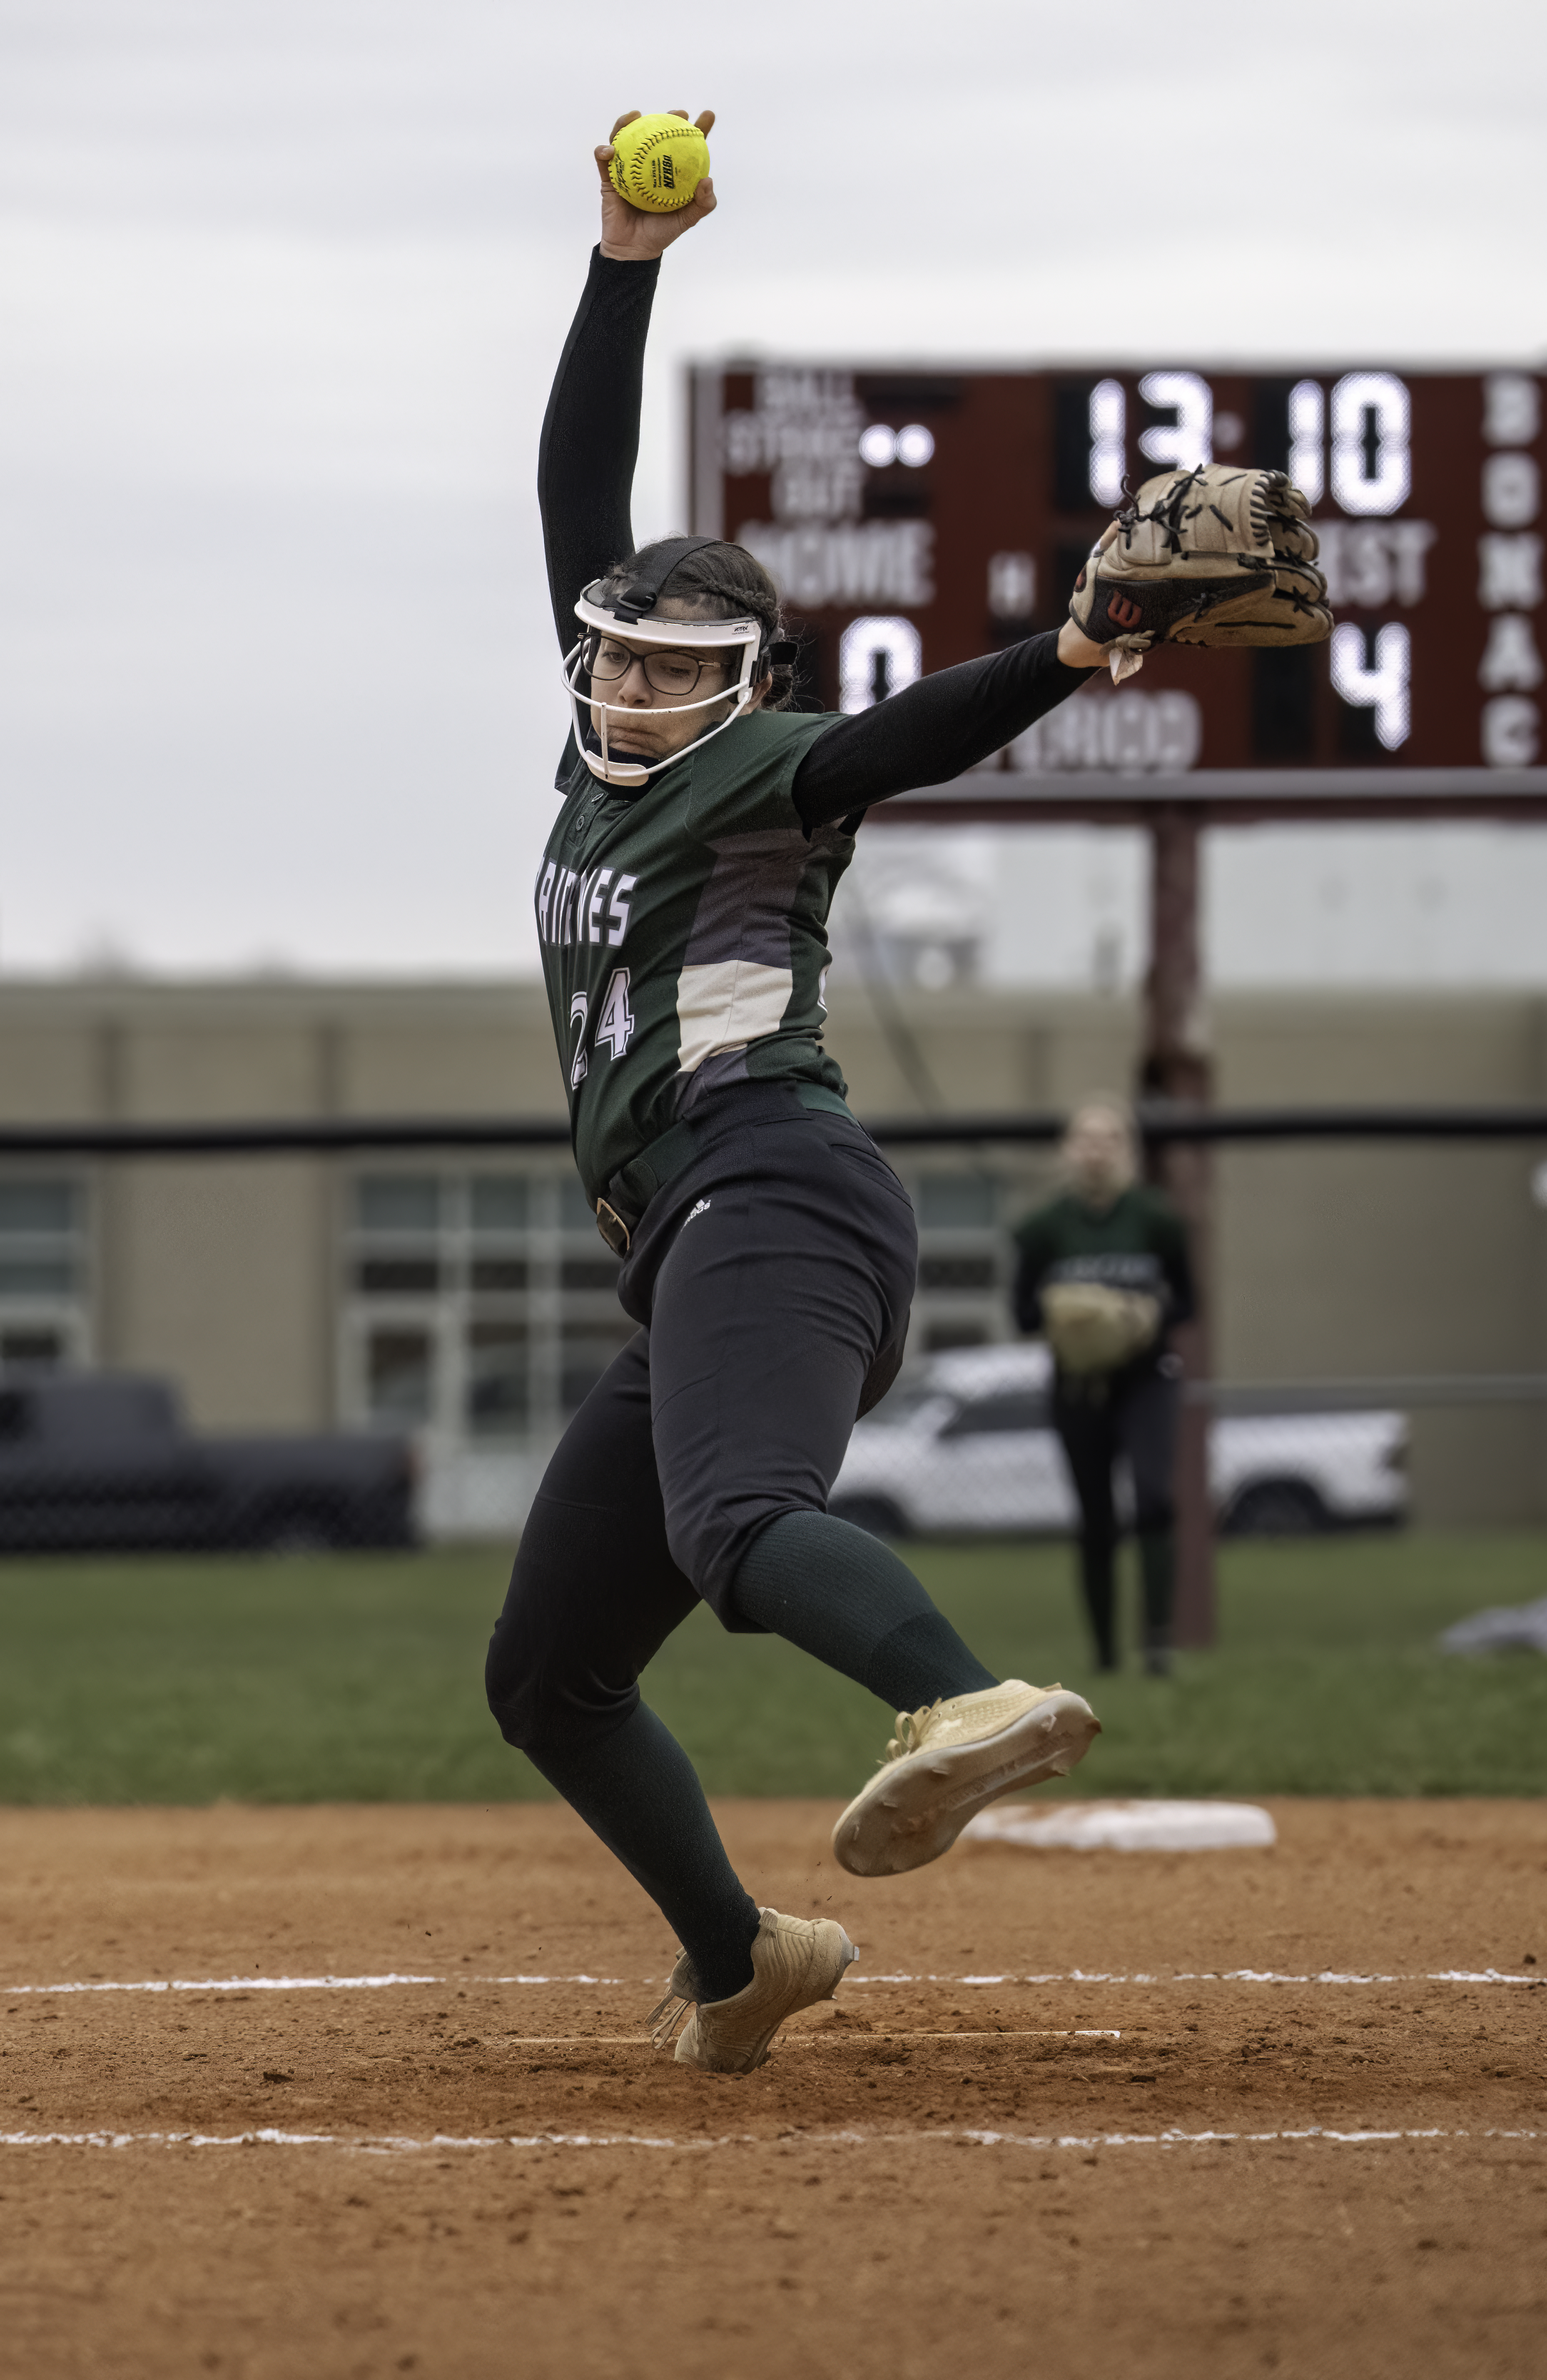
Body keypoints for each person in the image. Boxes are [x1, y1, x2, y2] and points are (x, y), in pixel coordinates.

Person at [482, 111, 1123, 2077]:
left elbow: (915, 732)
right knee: (550, 1675)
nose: (629, 686)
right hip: (689, 1240)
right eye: (613, 656)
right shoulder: (609, 754)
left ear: (747, 684)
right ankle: (740, 1954)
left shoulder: (767, 769)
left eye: (675, 668)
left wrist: (1077, 646)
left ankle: (955, 1700)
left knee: (740, 1525)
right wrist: (622, 258)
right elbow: (575, 479)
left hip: (773, 1189)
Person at [1012, 1100, 1196, 1678]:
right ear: (1069, 1149)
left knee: (1154, 1499)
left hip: (1145, 1380)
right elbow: (1020, 1313)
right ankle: (1105, 1656)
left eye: (1110, 1138)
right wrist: (1066, 1320)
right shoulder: (1045, 1228)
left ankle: (1159, 1644)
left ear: (1129, 1149)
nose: (1097, 1149)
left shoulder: (1156, 1219)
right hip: (1078, 1386)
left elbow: (1189, 1302)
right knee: (1096, 1519)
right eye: (1086, 1138)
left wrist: (1145, 1316)